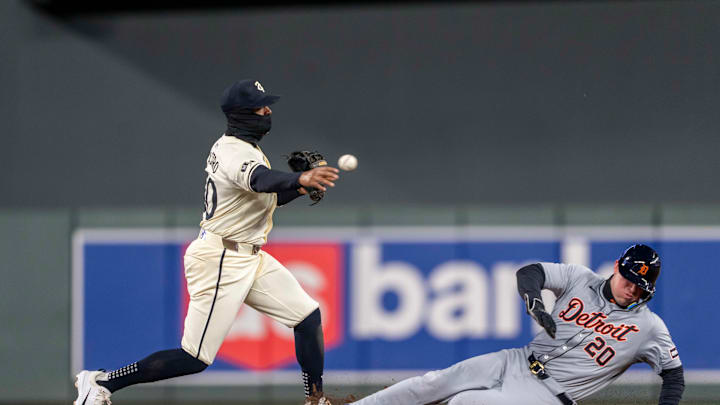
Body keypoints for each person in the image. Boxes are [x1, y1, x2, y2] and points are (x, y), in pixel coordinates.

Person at [74, 79, 340, 405]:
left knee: (307, 316)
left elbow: (263, 197)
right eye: (261, 106)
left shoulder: (244, 147)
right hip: (221, 259)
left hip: (247, 254)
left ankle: (315, 400)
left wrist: (298, 188)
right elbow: (260, 180)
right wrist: (299, 177)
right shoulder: (234, 153)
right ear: (243, 114)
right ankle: (102, 383)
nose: (268, 110)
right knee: (195, 357)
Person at [349, 244, 684, 405]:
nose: (632, 289)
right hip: (517, 359)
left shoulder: (649, 327)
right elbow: (530, 273)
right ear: (616, 267)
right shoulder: (581, 278)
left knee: (466, 404)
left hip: (549, 395)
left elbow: (674, 376)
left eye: (641, 287)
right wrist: (535, 302)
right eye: (628, 279)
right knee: (434, 383)